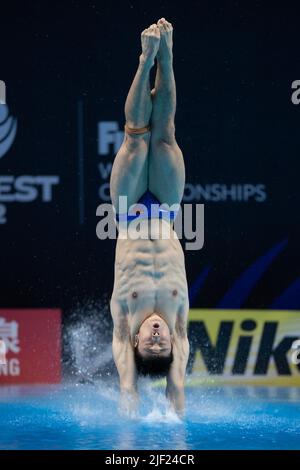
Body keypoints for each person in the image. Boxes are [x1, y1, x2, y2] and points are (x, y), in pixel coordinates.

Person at [110, 18, 189, 417]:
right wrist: (176, 428)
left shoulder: (125, 321)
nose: (157, 337)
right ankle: (168, 54)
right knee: (166, 134)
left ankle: (145, 59)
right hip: (166, 208)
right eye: (163, 343)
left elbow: (128, 386)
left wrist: (129, 417)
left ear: (136, 341)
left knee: (136, 137)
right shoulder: (177, 320)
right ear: (175, 342)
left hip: (127, 210)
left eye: (150, 343)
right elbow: (177, 385)